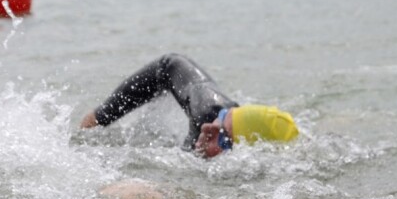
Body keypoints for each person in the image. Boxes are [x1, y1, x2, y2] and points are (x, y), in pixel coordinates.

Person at [80, 53, 299, 158]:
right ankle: (80, 133)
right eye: (221, 127)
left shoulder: (230, 126)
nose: (212, 129)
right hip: (165, 69)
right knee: (100, 119)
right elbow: (188, 158)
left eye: (224, 139)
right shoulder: (205, 118)